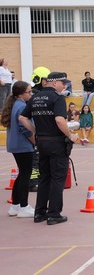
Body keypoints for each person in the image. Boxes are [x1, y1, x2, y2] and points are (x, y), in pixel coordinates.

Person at [19, 72, 79, 225]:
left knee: (44, 177)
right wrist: (71, 135)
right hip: (56, 143)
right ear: (54, 83)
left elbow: (22, 117)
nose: (64, 86)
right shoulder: (57, 98)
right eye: (62, 83)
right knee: (58, 178)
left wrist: (35, 131)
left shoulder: (35, 97)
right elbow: (59, 120)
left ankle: (39, 213)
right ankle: (54, 214)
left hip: (42, 142)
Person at [3, 81, 35, 218]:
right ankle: (23, 206)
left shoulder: (16, 104)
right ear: (21, 94)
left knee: (22, 174)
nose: (31, 94)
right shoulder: (22, 107)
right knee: (25, 175)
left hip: (16, 144)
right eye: (29, 92)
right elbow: (25, 128)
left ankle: (15, 205)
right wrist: (34, 141)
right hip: (23, 145)